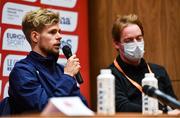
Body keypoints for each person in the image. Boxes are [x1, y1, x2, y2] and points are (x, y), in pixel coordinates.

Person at [3, 8, 87, 114]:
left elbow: (83, 107)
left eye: (59, 32)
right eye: (52, 32)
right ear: (35, 37)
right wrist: (68, 77)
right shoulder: (22, 71)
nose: (59, 36)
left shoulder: (62, 70)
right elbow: (46, 111)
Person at [109, 14, 179, 113]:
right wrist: (161, 113)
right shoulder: (111, 75)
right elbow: (122, 107)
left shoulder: (159, 71)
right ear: (117, 44)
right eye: (129, 40)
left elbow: (173, 104)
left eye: (139, 38)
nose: (136, 44)